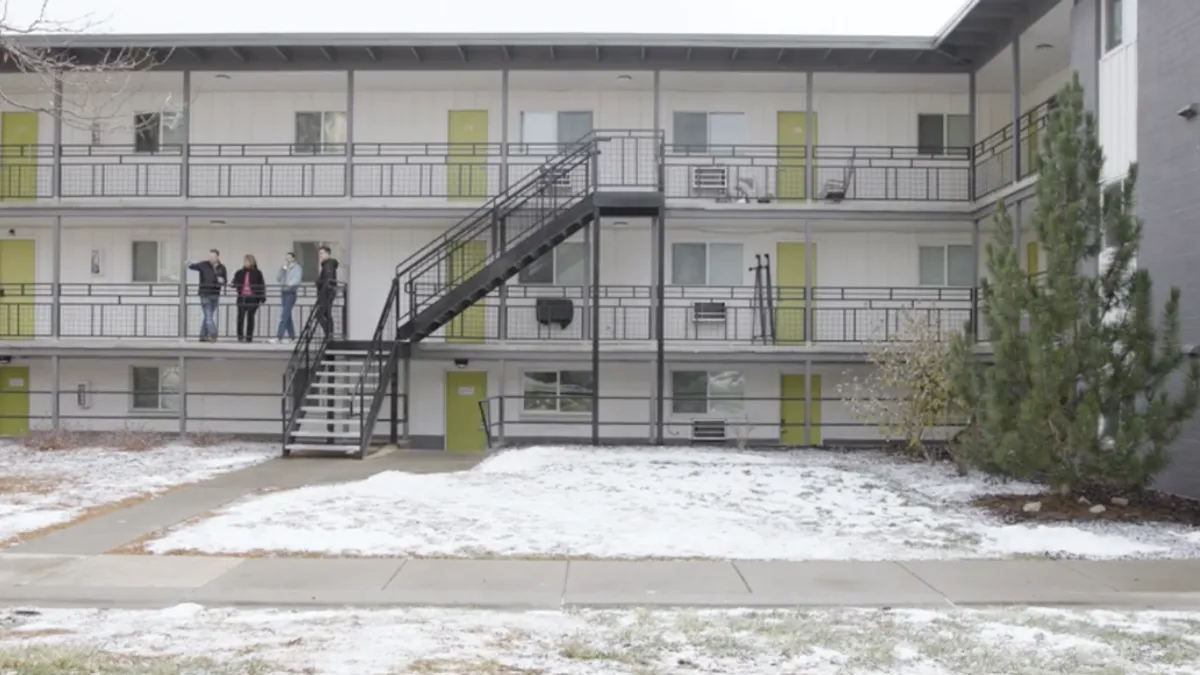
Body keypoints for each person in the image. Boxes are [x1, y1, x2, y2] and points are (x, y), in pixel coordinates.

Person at [188, 249, 227, 343]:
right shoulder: (204, 264)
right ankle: (213, 334)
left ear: (217, 257)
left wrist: (222, 281)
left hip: (215, 294)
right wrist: (188, 263)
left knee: (207, 316)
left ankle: (202, 336)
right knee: (208, 316)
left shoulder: (222, 267)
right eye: (210, 256)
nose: (211, 258)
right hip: (205, 293)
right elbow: (192, 266)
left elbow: (225, 281)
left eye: (213, 256)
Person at [231, 254, 266, 343]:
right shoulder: (239, 272)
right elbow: (234, 281)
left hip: (252, 297)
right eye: (244, 261)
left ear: (251, 262)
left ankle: (249, 337)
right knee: (240, 317)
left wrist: (262, 297)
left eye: (247, 261)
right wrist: (234, 284)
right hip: (242, 297)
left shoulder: (257, 273)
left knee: (250, 317)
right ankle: (240, 336)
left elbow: (261, 285)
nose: (245, 263)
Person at [272, 252, 301, 343]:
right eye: (286, 258)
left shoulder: (297, 268)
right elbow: (278, 278)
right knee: (287, 316)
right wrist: (282, 270)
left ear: (293, 259)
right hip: (283, 292)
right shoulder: (285, 268)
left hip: (291, 293)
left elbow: (297, 279)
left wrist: (290, 284)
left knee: (284, 315)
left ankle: (279, 337)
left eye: (289, 258)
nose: (287, 260)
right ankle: (292, 337)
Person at [314, 245, 339, 338]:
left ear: (328, 254)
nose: (320, 255)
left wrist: (318, 282)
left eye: (322, 253)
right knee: (326, 313)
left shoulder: (328, 264)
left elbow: (328, 278)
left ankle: (329, 333)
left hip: (326, 293)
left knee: (321, 314)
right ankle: (329, 333)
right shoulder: (328, 264)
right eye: (319, 253)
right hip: (327, 293)